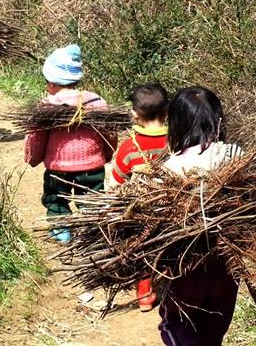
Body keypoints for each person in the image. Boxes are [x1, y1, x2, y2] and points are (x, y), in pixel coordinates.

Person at [159, 86, 243, 346]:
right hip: (226, 267)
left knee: (175, 325)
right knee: (213, 330)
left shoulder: (172, 167)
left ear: (176, 124)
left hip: (187, 268)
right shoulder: (235, 155)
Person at [24, 44, 117, 243]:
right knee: (91, 198)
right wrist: (107, 155)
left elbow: (36, 137)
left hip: (58, 168)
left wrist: (33, 158)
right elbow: (109, 132)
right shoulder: (96, 102)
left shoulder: (46, 107)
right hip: (92, 165)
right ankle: (92, 230)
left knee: (56, 198)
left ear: (51, 83)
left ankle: (61, 231)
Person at [110, 82, 169, 312]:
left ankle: (145, 296)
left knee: (141, 249)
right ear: (166, 113)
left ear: (134, 115)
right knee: (168, 248)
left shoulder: (129, 147)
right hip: (172, 204)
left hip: (141, 209)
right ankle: (168, 286)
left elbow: (117, 180)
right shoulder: (175, 139)